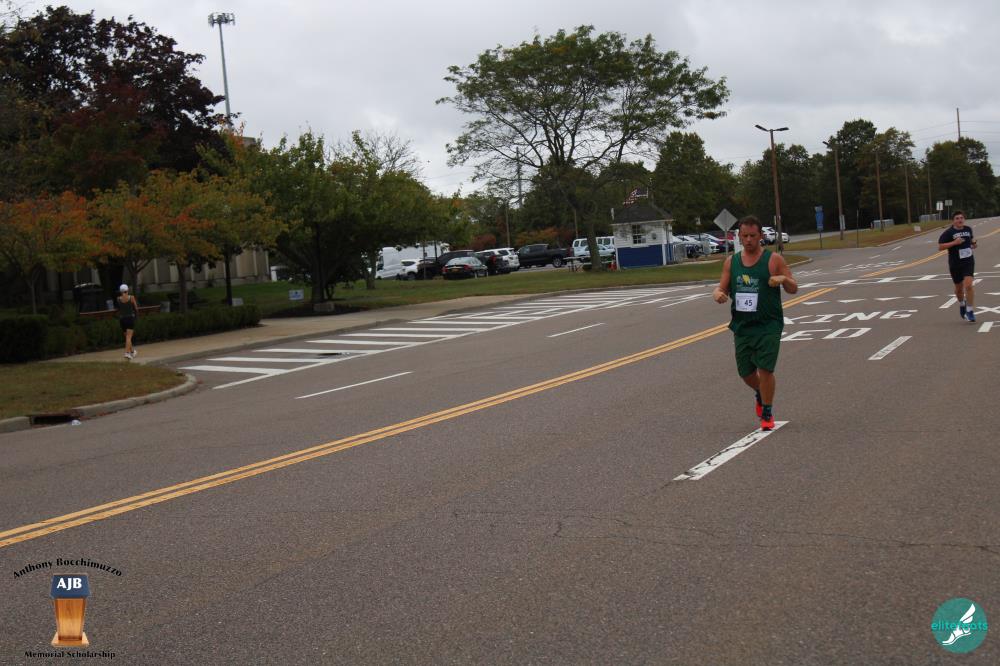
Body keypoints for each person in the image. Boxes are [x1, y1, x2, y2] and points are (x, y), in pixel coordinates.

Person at [713, 216, 798, 431]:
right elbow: (721, 288)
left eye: (753, 235)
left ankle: (767, 412)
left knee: (765, 369)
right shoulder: (732, 262)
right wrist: (718, 294)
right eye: (745, 236)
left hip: (769, 325)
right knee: (745, 372)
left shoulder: (774, 260)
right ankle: (761, 393)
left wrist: (783, 279)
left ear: (760, 236)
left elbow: (793, 288)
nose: (749, 240)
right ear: (739, 237)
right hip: (743, 325)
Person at [937, 210, 978, 323]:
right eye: (957, 218)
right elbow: (940, 247)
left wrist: (974, 244)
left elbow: (971, 241)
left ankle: (969, 311)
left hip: (968, 261)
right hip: (955, 263)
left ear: (964, 219)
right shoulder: (948, 232)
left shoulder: (968, 229)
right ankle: (962, 303)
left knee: (968, 285)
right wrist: (954, 243)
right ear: (953, 221)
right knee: (959, 290)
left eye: (961, 218)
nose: (960, 220)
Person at [117, 284, 139, 359]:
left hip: (122, 320)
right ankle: (127, 353)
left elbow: (118, 309)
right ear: (127, 290)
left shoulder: (118, 299)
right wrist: (136, 317)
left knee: (127, 337)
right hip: (130, 319)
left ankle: (132, 351)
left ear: (120, 291)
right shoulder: (131, 298)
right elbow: (136, 308)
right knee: (129, 337)